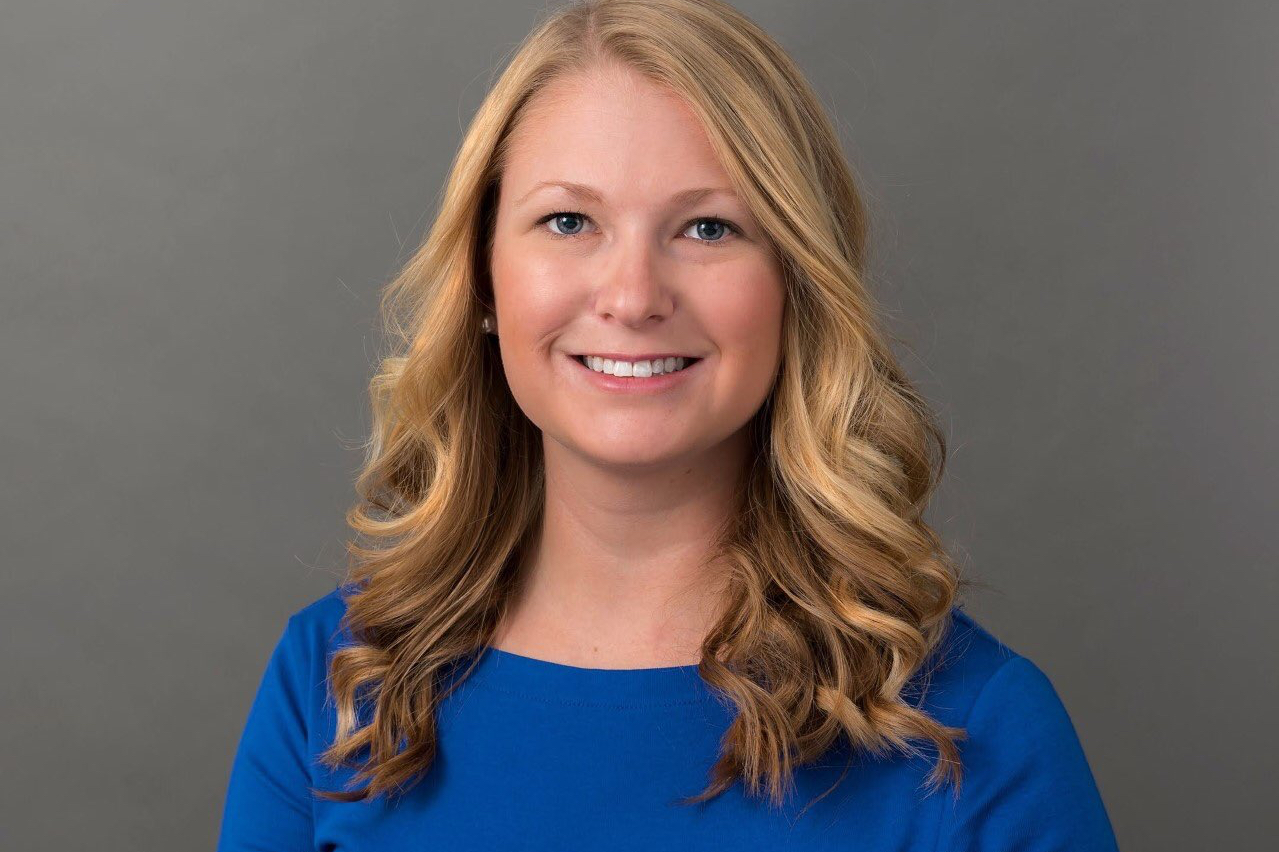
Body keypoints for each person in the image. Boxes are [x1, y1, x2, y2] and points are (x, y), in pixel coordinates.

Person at [217, 1, 1120, 849]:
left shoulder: (972, 728)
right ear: (484, 280)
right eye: (568, 221)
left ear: (795, 287)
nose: (633, 297)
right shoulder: (333, 685)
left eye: (708, 229)